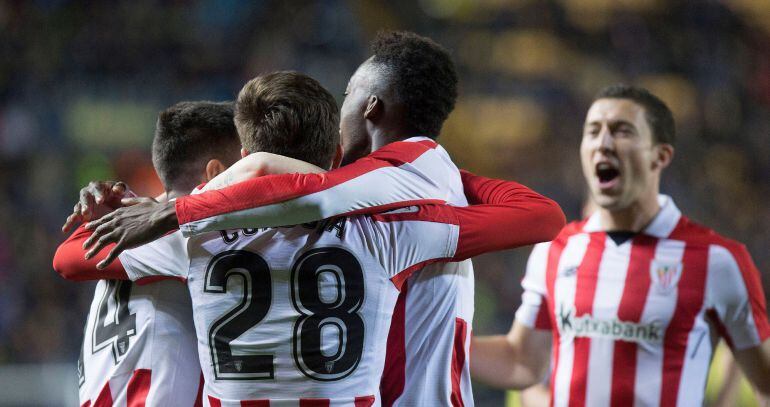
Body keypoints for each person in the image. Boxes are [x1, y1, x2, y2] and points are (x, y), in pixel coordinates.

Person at [76, 31, 542, 406]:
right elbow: (538, 215)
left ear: (371, 107)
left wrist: (177, 209)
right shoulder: (410, 216)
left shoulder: (201, 232)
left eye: (348, 95)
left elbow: (71, 259)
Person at [470, 84, 770, 406]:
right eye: (593, 131)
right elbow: (521, 362)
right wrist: (442, 336)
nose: (603, 143)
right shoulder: (555, 250)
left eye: (622, 131)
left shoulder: (718, 261)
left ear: (661, 155)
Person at [53, 101, 243, 406]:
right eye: (246, 162)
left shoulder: (132, 229)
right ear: (216, 171)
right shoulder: (187, 237)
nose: (254, 176)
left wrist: (95, 222)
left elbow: (67, 258)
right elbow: (65, 261)